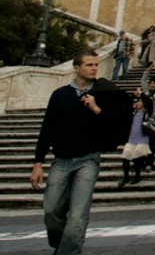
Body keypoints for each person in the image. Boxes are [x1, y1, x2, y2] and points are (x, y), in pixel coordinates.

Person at [31, 51, 132, 255]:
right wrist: (38, 162)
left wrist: (97, 109)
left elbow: (118, 124)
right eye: (89, 65)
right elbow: (47, 128)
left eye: (96, 64)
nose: (94, 68)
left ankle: (69, 252)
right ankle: (62, 243)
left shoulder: (105, 94)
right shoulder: (60, 95)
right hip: (61, 160)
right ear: (76, 68)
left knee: (78, 215)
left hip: (88, 159)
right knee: (51, 211)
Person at [119, 92, 153, 187]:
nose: (138, 102)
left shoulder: (147, 112)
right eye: (137, 101)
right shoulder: (134, 112)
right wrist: (134, 96)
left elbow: (150, 103)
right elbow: (127, 103)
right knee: (125, 157)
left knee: (136, 158)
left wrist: (141, 94)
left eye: (140, 101)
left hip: (142, 138)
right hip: (131, 139)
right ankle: (126, 177)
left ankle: (137, 177)